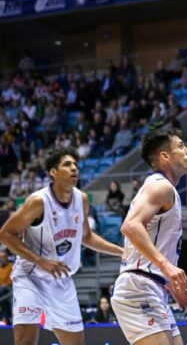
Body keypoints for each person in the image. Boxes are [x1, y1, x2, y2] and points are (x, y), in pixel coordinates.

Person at [0, 147, 123, 345]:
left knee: (75, 343)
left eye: (75, 164)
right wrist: (41, 261)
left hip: (61, 279)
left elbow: (87, 237)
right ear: (53, 172)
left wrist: (122, 251)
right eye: (67, 164)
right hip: (31, 276)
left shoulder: (81, 199)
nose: (74, 168)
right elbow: (6, 234)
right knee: (25, 342)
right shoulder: (38, 201)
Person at [111, 129, 187, 345]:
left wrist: (173, 286)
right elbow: (130, 226)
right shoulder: (160, 186)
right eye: (180, 146)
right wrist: (167, 267)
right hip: (138, 285)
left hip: (155, 286)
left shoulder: (166, 190)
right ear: (165, 156)